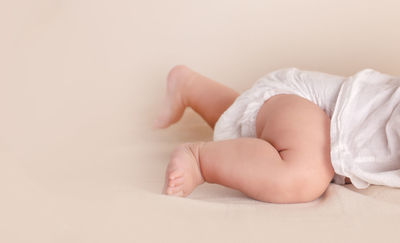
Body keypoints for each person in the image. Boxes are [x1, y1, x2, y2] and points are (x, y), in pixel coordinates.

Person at [154, 65, 400, 203]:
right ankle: (199, 160)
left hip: (297, 118)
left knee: (243, 128)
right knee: (306, 174)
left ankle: (189, 86)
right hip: (313, 106)